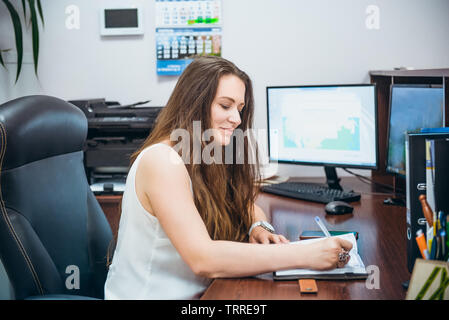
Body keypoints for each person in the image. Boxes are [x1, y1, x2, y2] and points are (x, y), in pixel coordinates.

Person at [104, 56, 352, 299]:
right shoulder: (161, 161)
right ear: (194, 103)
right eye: (225, 105)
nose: (237, 118)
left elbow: (243, 204)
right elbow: (204, 259)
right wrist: (306, 255)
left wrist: (259, 225)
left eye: (240, 108)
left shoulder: (203, 153)